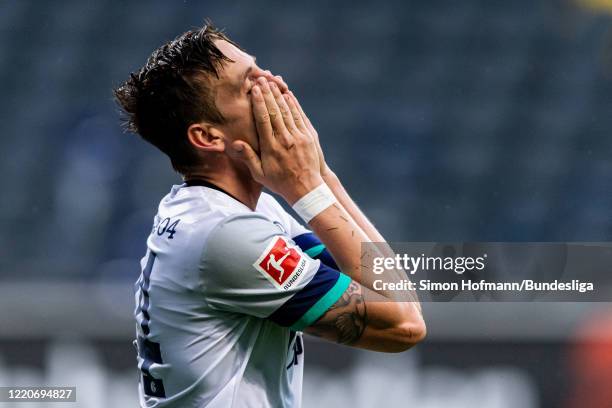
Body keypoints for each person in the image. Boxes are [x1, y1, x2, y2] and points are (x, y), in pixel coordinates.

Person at [114, 20, 426, 408]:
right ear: (208, 137)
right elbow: (403, 324)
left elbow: (374, 281)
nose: (274, 84)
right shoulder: (227, 234)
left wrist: (320, 176)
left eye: (262, 70)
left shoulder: (243, 210)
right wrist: (307, 186)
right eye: (249, 85)